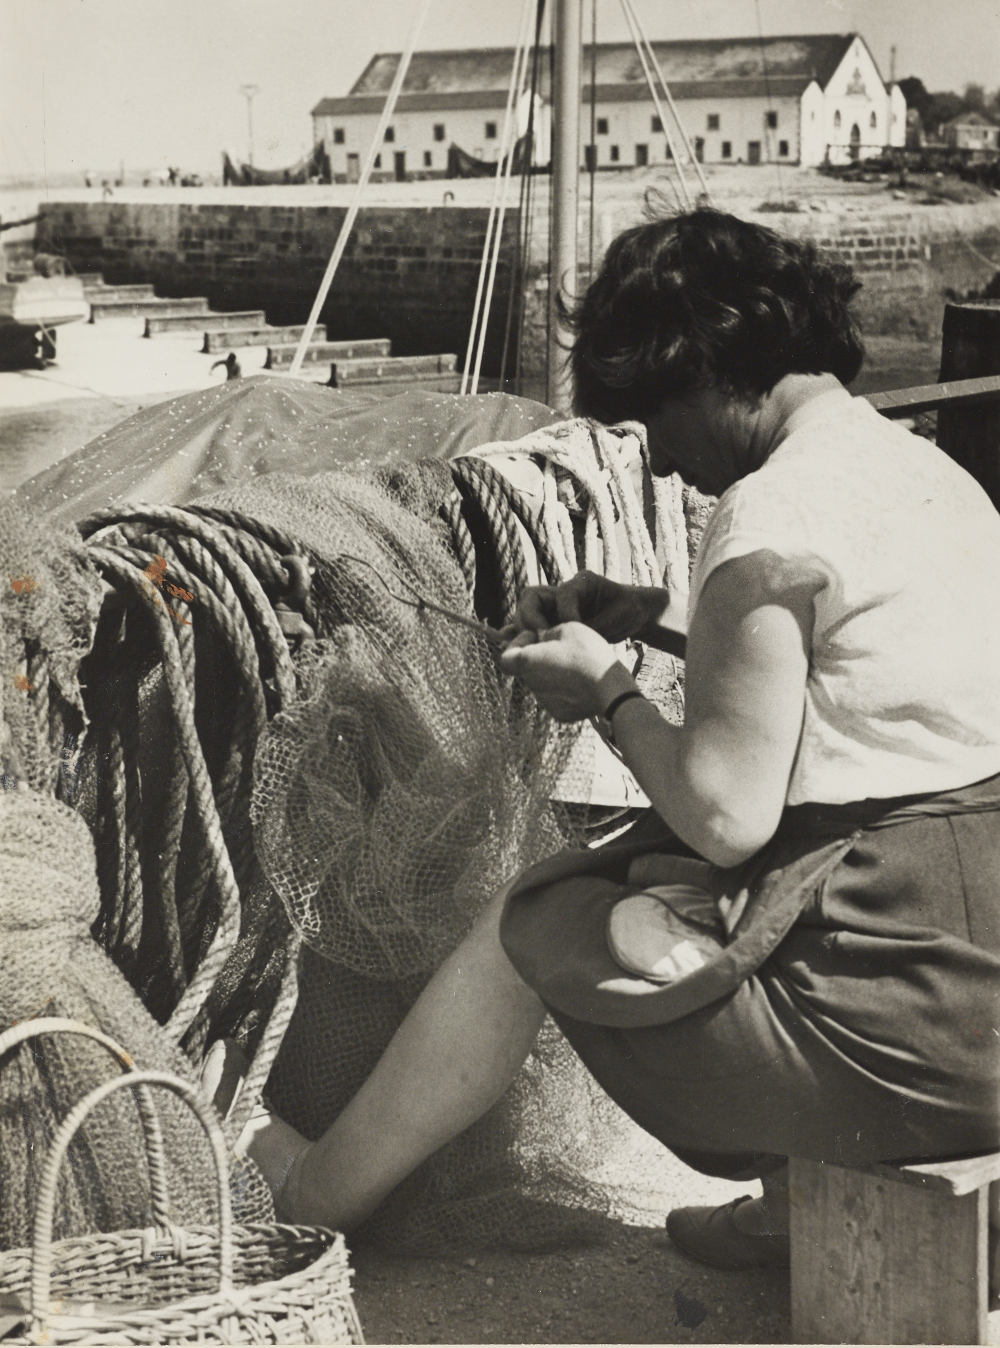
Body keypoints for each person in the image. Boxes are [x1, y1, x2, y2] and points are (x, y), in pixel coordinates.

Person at [230, 207, 1000, 1273]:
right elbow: (850, 682)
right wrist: (660, 616)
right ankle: (789, 1203)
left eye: (654, 419)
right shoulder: (929, 476)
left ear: (698, 373)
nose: (668, 463)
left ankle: (315, 1196)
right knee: (672, 869)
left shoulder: (769, 515)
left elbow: (727, 817)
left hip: (904, 1034)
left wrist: (609, 692)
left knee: (536, 916)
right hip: (981, 970)